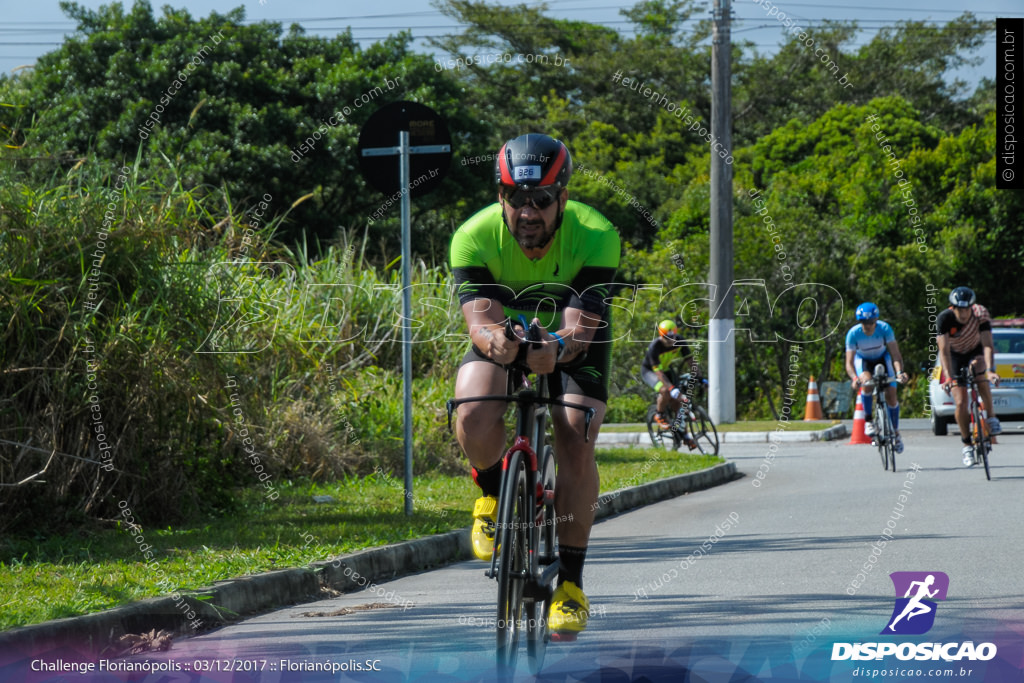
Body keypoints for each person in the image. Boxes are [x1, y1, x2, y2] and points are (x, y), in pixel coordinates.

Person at [449, 133, 620, 638]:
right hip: (506, 330)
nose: (529, 212)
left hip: (571, 336)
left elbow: (579, 329)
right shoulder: (473, 236)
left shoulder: (597, 233)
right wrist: (498, 345)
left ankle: (570, 584)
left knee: (574, 432)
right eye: (516, 199)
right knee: (474, 408)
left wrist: (558, 352)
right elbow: (480, 322)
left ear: (563, 197)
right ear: (500, 197)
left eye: (542, 200)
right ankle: (489, 493)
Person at [936, 286, 1002, 466]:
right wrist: (949, 377)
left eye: (967, 309)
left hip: (975, 350)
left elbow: (987, 344)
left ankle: (991, 416)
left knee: (981, 376)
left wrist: (990, 370)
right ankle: (966, 444)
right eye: (960, 310)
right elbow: (944, 351)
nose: (964, 314)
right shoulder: (944, 319)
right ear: (953, 308)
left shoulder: (980, 313)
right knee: (960, 401)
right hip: (955, 355)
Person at [845, 302, 909, 453]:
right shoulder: (853, 334)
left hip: (882, 358)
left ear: (876, 320)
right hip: (864, 360)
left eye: (871, 323)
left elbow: (895, 355)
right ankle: (868, 420)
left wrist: (900, 373)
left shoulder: (885, 328)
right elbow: (849, 363)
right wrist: (855, 378)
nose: (867, 327)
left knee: (891, 396)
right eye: (864, 323)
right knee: (866, 382)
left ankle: (896, 433)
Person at [641, 320, 697, 447]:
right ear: (661, 336)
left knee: (678, 403)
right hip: (651, 372)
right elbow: (659, 373)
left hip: (666, 370)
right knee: (666, 391)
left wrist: (699, 376)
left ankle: (685, 435)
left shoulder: (680, 341)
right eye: (666, 338)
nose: (670, 341)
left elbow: (690, 360)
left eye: (672, 337)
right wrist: (671, 388)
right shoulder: (654, 347)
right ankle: (659, 414)